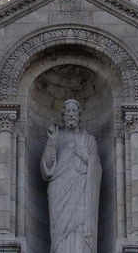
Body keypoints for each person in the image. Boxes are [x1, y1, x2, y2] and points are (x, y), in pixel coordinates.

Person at [41, 99, 101, 253]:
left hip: (82, 191)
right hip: (58, 192)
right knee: (60, 233)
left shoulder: (88, 139)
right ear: (63, 116)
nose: (71, 114)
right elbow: (47, 168)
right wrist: (51, 143)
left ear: (79, 115)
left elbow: (97, 171)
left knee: (79, 228)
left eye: (74, 111)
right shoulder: (57, 136)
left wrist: (87, 159)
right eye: (68, 111)